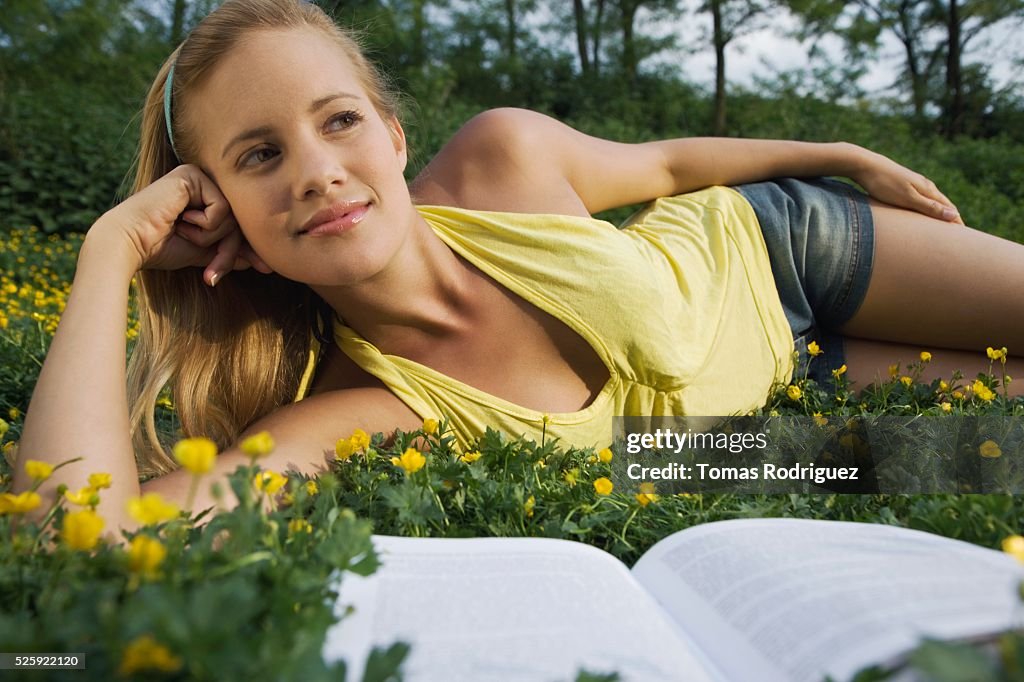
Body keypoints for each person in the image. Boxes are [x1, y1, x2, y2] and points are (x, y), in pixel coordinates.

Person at [13, 0, 1024, 535]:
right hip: (745, 433)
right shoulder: (365, 412)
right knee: (999, 444)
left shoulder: (503, 153)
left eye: (339, 122)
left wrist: (838, 158)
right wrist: (111, 251)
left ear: (394, 136)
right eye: (259, 155)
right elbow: (84, 545)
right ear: (217, 210)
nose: (318, 172)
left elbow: (667, 166)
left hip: (781, 250)